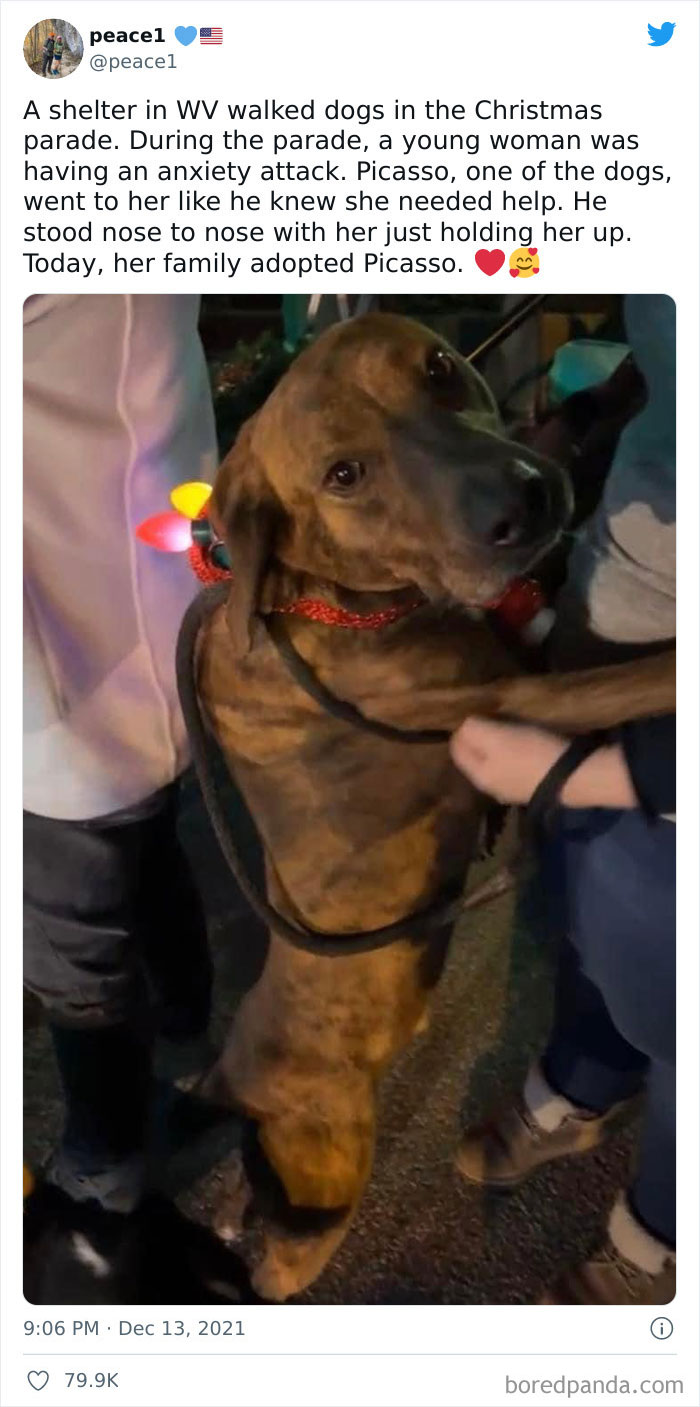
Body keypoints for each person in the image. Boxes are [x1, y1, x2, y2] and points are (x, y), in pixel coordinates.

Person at [450, 295, 676, 1306]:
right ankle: (588, 1078)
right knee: (597, 905)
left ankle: (656, 1245)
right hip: (627, 615)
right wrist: (583, 426)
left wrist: (569, 774)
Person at [24, 295, 218, 1298]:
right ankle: (189, 1042)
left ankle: (108, 1183)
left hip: (59, 660)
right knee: (146, 842)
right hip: (155, 596)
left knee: (77, 933)